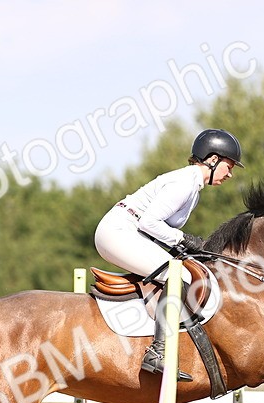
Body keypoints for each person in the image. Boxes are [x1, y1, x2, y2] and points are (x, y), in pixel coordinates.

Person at [94, 128, 243, 379]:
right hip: (119, 231)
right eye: (229, 166)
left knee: (181, 269)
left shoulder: (192, 186)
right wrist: (184, 239)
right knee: (180, 278)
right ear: (213, 159)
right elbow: (150, 223)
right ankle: (157, 352)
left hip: (127, 232)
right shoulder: (185, 182)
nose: (230, 173)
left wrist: (188, 249)